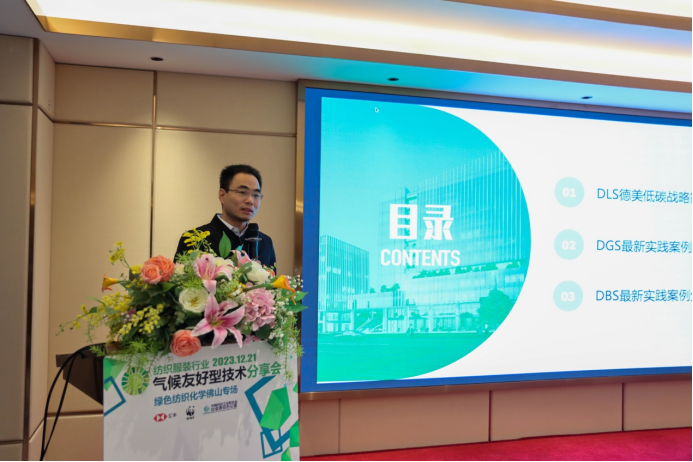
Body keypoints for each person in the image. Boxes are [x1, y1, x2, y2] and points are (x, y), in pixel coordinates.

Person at [174, 164, 277, 268]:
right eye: (242, 192)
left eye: (256, 195)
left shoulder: (265, 243)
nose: (250, 200)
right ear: (222, 195)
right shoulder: (194, 240)